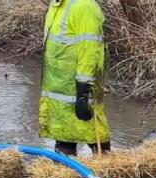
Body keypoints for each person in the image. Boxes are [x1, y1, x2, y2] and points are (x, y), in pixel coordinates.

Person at [40, 0, 109, 156]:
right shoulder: (56, 5)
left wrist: (83, 90)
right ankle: (65, 168)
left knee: (94, 134)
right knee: (64, 139)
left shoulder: (84, 6)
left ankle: (106, 170)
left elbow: (89, 51)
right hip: (58, 90)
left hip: (79, 87)